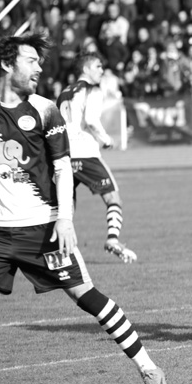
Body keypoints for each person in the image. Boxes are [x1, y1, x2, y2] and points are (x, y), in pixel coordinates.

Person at [0, 34, 167, 384]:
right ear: (7, 64)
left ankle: (148, 367)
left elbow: (62, 168)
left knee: (85, 295)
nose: (40, 68)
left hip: (42, 228)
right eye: (31, 60)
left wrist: (66, 218)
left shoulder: (45, 109)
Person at [56, 52, 136, 263]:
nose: (102, 70)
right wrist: (107, 140)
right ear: (86, 69)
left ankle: (60, 250)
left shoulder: (64, 92)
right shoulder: (93, 89)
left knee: (66, 205)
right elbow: (91, 119)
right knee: (113, 198)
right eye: (98, 66)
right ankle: (112, 240)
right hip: (85, 153)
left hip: (64, 154)